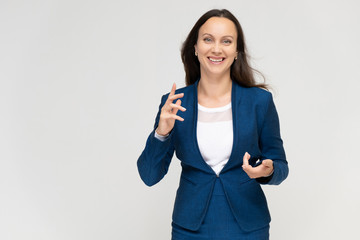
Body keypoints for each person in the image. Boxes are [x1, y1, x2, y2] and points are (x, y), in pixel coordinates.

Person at [137, 9, 289, 240]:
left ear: (236, 52)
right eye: (208, 39)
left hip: (248, 226)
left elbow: (280, 165)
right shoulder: (175, 103)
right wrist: (161, 133)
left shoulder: (259, 101)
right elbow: (149, 176)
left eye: (226, 41)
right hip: (190, 229)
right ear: (195, 48)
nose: (216, 49)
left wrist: (267, 170)